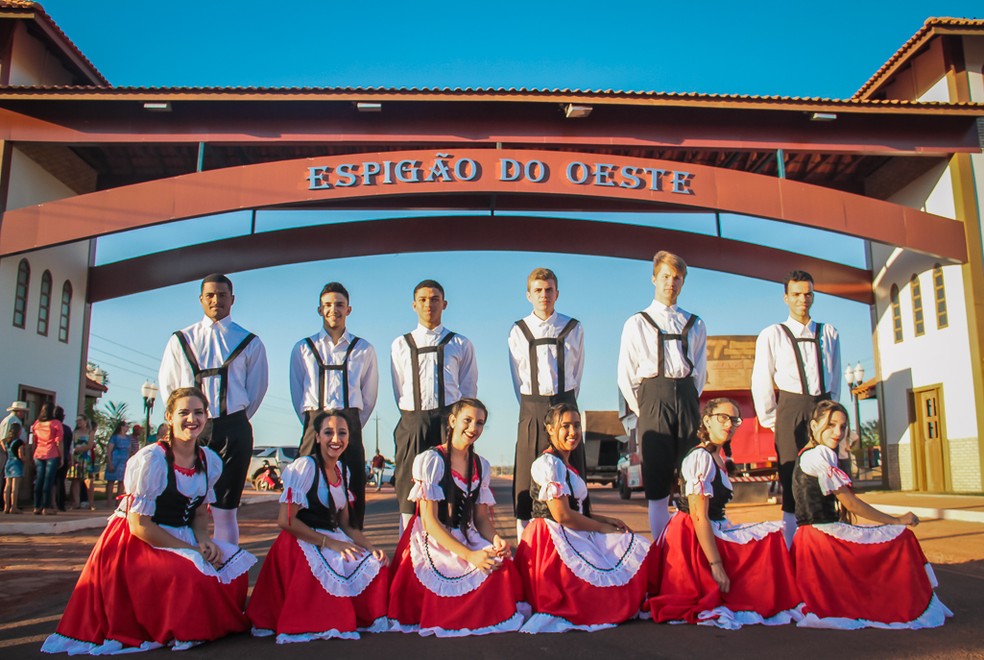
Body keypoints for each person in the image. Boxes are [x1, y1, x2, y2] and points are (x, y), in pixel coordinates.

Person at [42, 387, 255, 654]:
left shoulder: (208, 461)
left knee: (235, 566)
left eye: (198, 412)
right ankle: (176, 628)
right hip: (139, 540)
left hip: (181, 533)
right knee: (190, 573)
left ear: (206, 417)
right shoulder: (151, 459)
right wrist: (189, 551)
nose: (192, 419)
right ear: (169, 417)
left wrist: (203, 540)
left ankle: (209, 624)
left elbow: (200, 513)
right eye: (184, 412)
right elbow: (139, 524)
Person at [792, 400, 952, 629]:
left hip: (812, 537)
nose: (838, 432)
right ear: (815, 425)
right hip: (822, 538)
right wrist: (896, 520)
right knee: (901, 537)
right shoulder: (820, 454)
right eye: (831, 425)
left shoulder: (809, 452)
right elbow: (851, 503)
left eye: (843, 426)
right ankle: (907, 602)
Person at [647, 398, 803, 629]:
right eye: (723, 417)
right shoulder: (700, 458)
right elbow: (699, 516)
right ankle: (765, 597)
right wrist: (716, 564)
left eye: (734, 419)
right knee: (769, 540)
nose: (729, 424)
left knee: (771, 533)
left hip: (712, 527)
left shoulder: (717, 458)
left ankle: (773, 595)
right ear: (707, 421)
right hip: (692, 538)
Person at [388, 398, 526, 636]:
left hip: (465, 534)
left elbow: (481, 519)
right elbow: (429, 522)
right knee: (453, 572)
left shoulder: (480, 465)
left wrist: (496, 539)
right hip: (433, 538)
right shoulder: (431, 461)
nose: (474, 428)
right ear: (452, 421)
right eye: (468, 420)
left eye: (480, 423)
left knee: (498, 567)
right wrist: (470, 555)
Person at [247, 410, 389, 642]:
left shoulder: (344, 471)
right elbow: (286, 520)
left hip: (330, 537)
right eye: (328, 432)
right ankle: (322, 619)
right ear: (317, 437)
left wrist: (370, 547)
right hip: (301, 540)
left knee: (375, 564)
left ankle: (360, 617)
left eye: (342, 433)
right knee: (332, 564)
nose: (336, 439)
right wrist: (330, 543)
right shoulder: (305, 467)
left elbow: (346, 524)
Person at [516, 403, 651, 633]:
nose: (573, 432)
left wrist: (607, 520)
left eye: (577, 425)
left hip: (571, 528)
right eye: (565, 426)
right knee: (605, 583)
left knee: (633, 543)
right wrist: (600, 528)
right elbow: (562, 515)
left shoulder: (565, 464)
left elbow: (575, 509)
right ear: (549, 429)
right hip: (553, 539)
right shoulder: (548, 464)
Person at [159, 273, 269, 544]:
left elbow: (256, 390)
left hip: (233, 430)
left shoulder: (250, 341)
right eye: (210, 295)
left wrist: (231, 418)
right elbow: (169, 387)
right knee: (183, 508)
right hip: (189, 431)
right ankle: (190, 572)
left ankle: (226, 578)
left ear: (232, 299)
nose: (216, 300)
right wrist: (190, 422)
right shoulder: (180, 339)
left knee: (225, 511)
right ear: (201, 300)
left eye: (222, 295)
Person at [617, 251, 707, 540]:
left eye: (677, 278)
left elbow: (700, 372)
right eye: (666, 276)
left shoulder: (695, 323)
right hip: (652, 398)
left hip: (687, 397)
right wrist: (645, 409)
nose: (671, 283)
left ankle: (694, 545)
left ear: (683, 283)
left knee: (693, 475)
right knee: (657, 482)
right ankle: (660, 548)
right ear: (654, 278)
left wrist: (689, 400)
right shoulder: (637, 322)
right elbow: (626, 375)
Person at [751, 270, 841, 547]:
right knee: (792, 482)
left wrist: (833, 413)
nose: (803, 299)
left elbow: (835, 374)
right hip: (790, 408)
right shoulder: (772, 333)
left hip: (823, 408)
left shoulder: (829, 332)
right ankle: (793, 549)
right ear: (786, 297)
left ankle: (828, 545)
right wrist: (771, 419)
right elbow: (761, 378)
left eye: (808, 294)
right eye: (797, 294)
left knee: (828, 480)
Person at [390, 279, 478, 531]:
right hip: (412, 423)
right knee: (410, 496)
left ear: (445, 303)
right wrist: (414, 419)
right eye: (424, 299)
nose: (429, 304)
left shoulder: (460, 343)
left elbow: (468, 391)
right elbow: (399, 388)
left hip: (448, 425)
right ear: (414, 305)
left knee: (451, 494)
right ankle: (408, 558)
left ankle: (452, 556)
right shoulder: (400, 344)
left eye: (435, 299)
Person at [289, 281, 378, 529]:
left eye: (339, 304)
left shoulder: (364, 348)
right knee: (305, 483)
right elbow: (298, 393)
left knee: (354, 487)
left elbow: (369, 396)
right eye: (327, 305)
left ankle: (353, 544)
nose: (333, 310)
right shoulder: (303, 348)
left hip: (350, 423)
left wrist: (349, 424)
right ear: (319, 310)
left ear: (348, 309)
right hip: (313, 423)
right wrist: (314, 426)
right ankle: (309, 543)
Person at [509, 267, 587, 539]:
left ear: (557, 293)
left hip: (565, 402)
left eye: (549, 290)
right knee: (527, 479)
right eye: (538, 290)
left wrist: (565, 404)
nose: (544, 295)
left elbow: (577, 372)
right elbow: (516, 376)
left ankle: (577, 543)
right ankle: (526, 548)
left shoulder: (573, 327)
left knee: (571, 476)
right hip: (532, 407)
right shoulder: (518, 330)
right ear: (528, 294)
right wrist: (534, 408)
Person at [31, 403, 64, 516]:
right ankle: (46, 506)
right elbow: (58, 442)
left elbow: (34, 441)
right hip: (52, 453)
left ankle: (37, 506)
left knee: (39, 479)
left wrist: (33, 454)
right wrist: (62, 456)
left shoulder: (37, 424)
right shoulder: (56, 423)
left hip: (39, 453)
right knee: (48, 481)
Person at [67, 415, 96, 510]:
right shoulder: (74, 432)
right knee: (76, 480)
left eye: (80, 420)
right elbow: (71, 445)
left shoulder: (90, 432)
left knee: (89, 480)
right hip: (75, 458)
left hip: (86, 458)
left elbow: (90, 445)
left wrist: (79, 449)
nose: (78, 422)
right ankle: (76, 502)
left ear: (85, 421)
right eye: (77, 421)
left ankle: (91, 503)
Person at [104, 421, 130, 509]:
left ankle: (118, 501)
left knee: (121, 482)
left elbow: (129, 450)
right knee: (111, 481)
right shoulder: (114, 438)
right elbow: (109, 450)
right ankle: (109, 501)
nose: (127, 428)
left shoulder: (127, 438)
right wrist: (109, 462)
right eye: (126, 426)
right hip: (115, 460)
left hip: (124, 461)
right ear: (122, 427)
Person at [54, 406, 73, 511]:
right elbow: (70, 445)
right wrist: (70, 457)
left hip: (51, 456)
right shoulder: (67, 429)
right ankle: (60, 504)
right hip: (64, 456)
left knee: (51, 481)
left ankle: (51, 503)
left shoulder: (51, 427)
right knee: (60, 481)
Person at [3, 421, 24, 514]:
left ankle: (6, 506)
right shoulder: (19, 442)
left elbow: (3, 445)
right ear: (18, 431)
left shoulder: (7, 441)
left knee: (7, 486)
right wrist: (27, 460)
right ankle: (13, 506)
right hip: (16, 463)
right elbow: (21, 455)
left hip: (8, 462)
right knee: (15, 487)